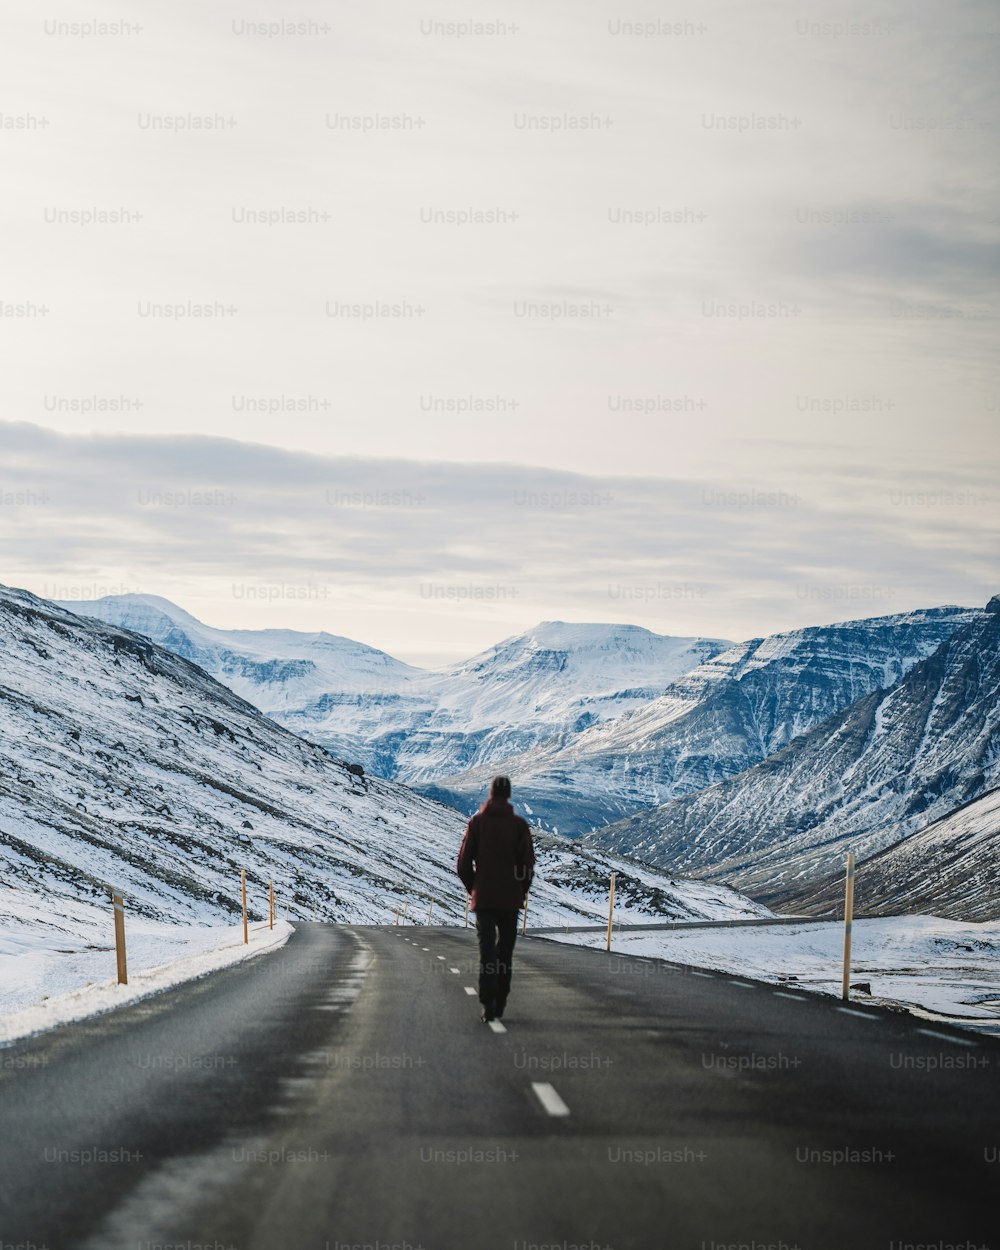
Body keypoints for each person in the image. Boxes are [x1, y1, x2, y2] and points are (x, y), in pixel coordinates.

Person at [456, 775, 535, 1023]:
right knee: (505, 952)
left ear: (490, 794)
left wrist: (475, 888)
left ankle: (487, 1003)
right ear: (508, 794)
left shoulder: (477, 823)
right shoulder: (519, 825)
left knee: (487, 950)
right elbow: (527, 865)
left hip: (486, 899)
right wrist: (521, 889)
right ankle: (500, 1000)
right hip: (510, 900)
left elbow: (463, 864)